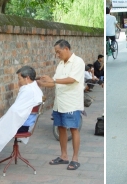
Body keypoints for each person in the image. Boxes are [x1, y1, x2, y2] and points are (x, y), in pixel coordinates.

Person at [37, 39, 85, 170]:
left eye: (58, 52)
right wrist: (43, 83)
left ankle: (75, 159)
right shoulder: (60, 64)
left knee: (74, 129)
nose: (57, 55)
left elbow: (72, 80)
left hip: (72, 103)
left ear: (66, 49)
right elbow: (56, 82)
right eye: (56, 53)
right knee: (61, 128)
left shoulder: (78, 62)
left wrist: (52, 80)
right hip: (59, 103)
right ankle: (64, 156)